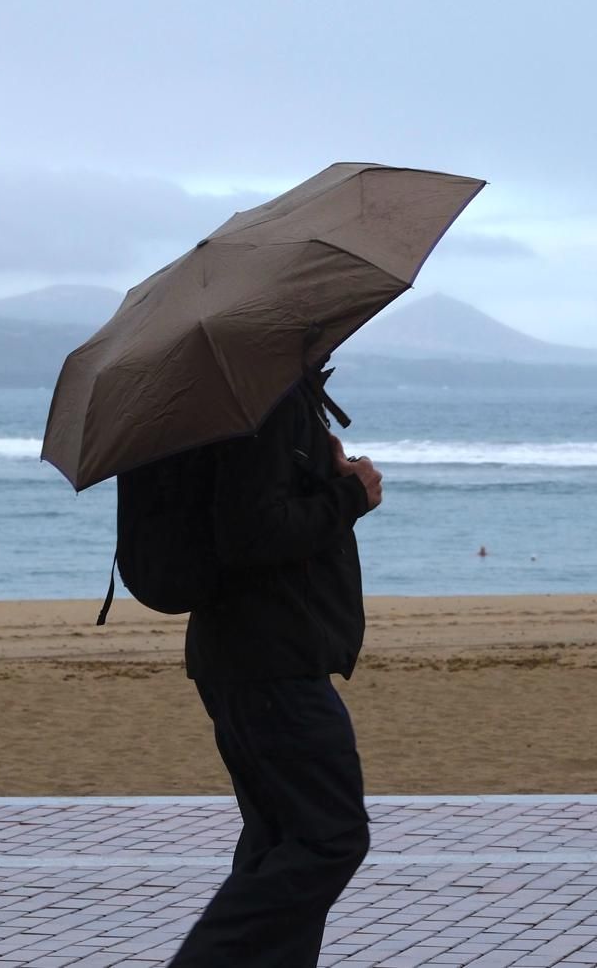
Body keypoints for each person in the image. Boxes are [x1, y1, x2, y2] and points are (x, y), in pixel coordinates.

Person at [168, 368, 383, 967]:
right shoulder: (265, 399)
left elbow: (255, 512)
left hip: (249, 656)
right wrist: (351, 496)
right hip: (270, 661)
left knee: (281, 840)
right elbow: (251, 533)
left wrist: (330, 478)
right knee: (329, 836)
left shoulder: (252, 393)